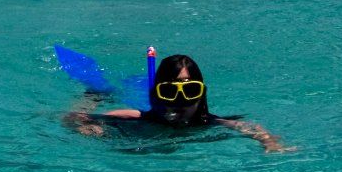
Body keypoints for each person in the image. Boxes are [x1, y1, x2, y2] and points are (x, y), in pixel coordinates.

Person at [64, 53, 292, 153]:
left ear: (201, 94)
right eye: (170, 91)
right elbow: (73, 119)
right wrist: (89, 130)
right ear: (158, 94)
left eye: (190, 90)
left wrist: (270, 143)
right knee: (99, 93)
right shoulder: (132, 117)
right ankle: (96, 93)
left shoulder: (207, 123)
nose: (180, 101)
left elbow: (248, 127)